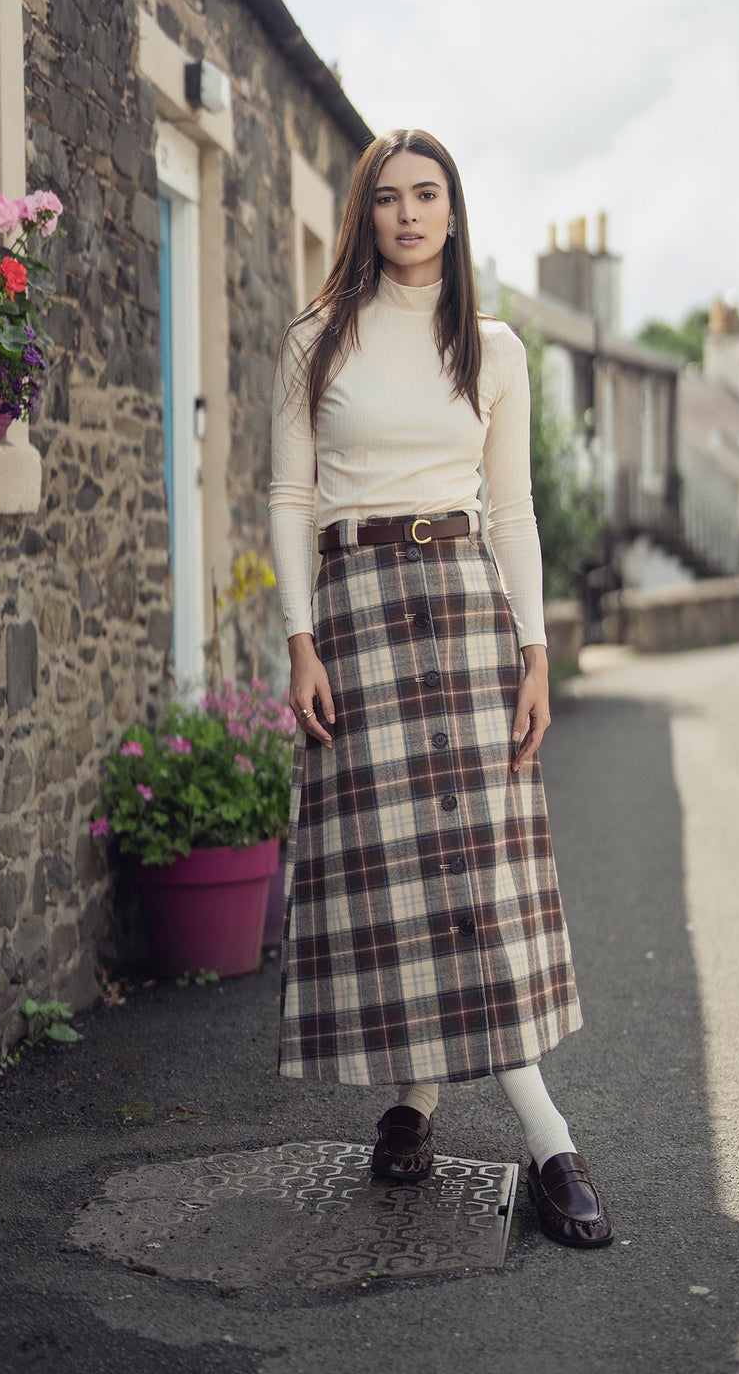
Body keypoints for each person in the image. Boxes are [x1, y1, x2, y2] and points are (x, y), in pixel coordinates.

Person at [268, 128, 612, 1249]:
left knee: (472, 868)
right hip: (357, 609)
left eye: (429, 196)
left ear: (455, 215)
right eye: (387, 198)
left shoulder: (494, 348)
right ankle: (438, 1110)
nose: (408, 214)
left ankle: (533, 1136)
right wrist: (299, 638)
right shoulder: (315, 340)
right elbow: (285, 498)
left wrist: (535, 651)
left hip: (464, 608)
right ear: (363, 215)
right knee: (400, 874)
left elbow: (510, 512)